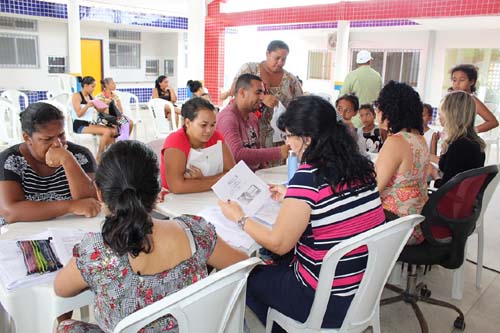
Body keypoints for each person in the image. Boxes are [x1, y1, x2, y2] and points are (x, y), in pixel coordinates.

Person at [218, 95, 386, 331]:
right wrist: (292, 195)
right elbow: (334, 200)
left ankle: (289, 327)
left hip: (323, 300)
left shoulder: (309, 176)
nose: (288, 145)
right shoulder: (361, 168)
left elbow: (279, 243)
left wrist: (239, 217)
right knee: (274, 261)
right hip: (362, 287)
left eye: (288, 136)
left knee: (244, 276)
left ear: (307, 139)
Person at [54, 140, 248, 332]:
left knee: (65, 327)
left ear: (99, 192)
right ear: (158, 190)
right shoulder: (196, 232)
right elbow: (242, 264)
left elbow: (60, 289)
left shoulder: (96, 253)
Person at [0, 102, 100, 225]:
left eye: (61, 135)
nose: (57, 144)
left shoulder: (80, 155)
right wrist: (70, 206)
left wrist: (68, 160)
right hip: (22, 235)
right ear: (27, 138)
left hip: (70, 232)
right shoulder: (9, 160)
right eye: (47, 139)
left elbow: (91, 203)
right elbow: (10, 211)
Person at [374, 81, 429, 245]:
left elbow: (373, 190)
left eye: (380, 106)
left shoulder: (396, 142)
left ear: (390, 110)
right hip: (418, 224)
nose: (377, 111)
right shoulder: (419, 139)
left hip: (395, 225)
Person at [221, 40, 303, 149]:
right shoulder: (250, 69)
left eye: (284, 59)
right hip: (248, 134)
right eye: (277, 58)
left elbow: (300, 107)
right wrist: (262, 96)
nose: (280, 62)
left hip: (278, 139)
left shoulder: (291, 80)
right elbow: (234, 91)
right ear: (267, 54)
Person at [161, 97, 235, 193]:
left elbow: (233, 173)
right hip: (176, 201)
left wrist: (201, 180)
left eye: (213, 125)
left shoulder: (216, 137)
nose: (209, 131)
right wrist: (219, 180)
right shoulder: (175, 141)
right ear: (188, 122)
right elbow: (177, 187)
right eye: (203, 125)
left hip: (208, 196)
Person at [216, 74, 289, 171]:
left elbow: (257, 153)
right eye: (258, 93)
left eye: (263, 93)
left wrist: (265, 174)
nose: (262, 97)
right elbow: (236, 155)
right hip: (234, 181)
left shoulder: (253, 118)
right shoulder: (227, 118)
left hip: (253, 178)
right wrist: (279, 152)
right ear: (242, 92)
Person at [435, 91, 486, 186]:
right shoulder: (474, 142)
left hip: (450, 199)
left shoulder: (459, 146)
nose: (439, 116)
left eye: (441, 112)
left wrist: (434, 175)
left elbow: (447, 189)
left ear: (451, 114)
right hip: (464, 199)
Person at [71, 76, 118, 161]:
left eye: (94, 86)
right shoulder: (77, 96)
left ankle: (108, 154)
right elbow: (78, 114)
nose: (94, 89)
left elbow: (99, 110)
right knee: (107, 131)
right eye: (92, 86)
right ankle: (99, 157)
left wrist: (104, 106)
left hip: (89, 124)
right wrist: (87, 106)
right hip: (79, 125)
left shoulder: (91, 96)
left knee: (113, 131)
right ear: (85, 85)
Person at [449, 64, 498, 133]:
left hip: (462, 140)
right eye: (454, 80)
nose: (457, 83)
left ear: (471, 82)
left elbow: (493, 122)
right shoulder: (451, 99)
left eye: (462, 80)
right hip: (449, 137)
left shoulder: (472, 100)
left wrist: (469, 132)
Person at [340, 50, 383, 128]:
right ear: (369, 61)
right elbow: (381, 98)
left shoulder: (352, 75)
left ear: (357, 62)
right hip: (372, 120)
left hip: (356, 120)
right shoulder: (377, 76)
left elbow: (342, 97)